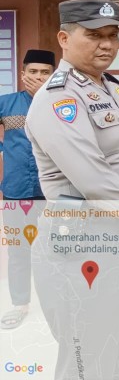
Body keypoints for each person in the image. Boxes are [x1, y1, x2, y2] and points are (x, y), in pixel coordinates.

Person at [25, 0, 119, 380]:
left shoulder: (113, 89)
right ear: (64, 37)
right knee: (88, 357)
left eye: (112, 35)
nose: (107, 44)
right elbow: (93, 178)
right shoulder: (57, 98)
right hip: (86, 242)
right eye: (94, 35)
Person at [0, 49, 55, 329]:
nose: (38, 77)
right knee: (19, 250)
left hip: (53, 194)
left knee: (53, 250)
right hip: (15, 190)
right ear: (22, 75)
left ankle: (55, 306)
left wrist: (47, 97)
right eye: (33, 72)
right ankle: (20, 304)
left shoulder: (62, 104)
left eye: (45, 72)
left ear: (53, 76)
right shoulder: (6, 104)